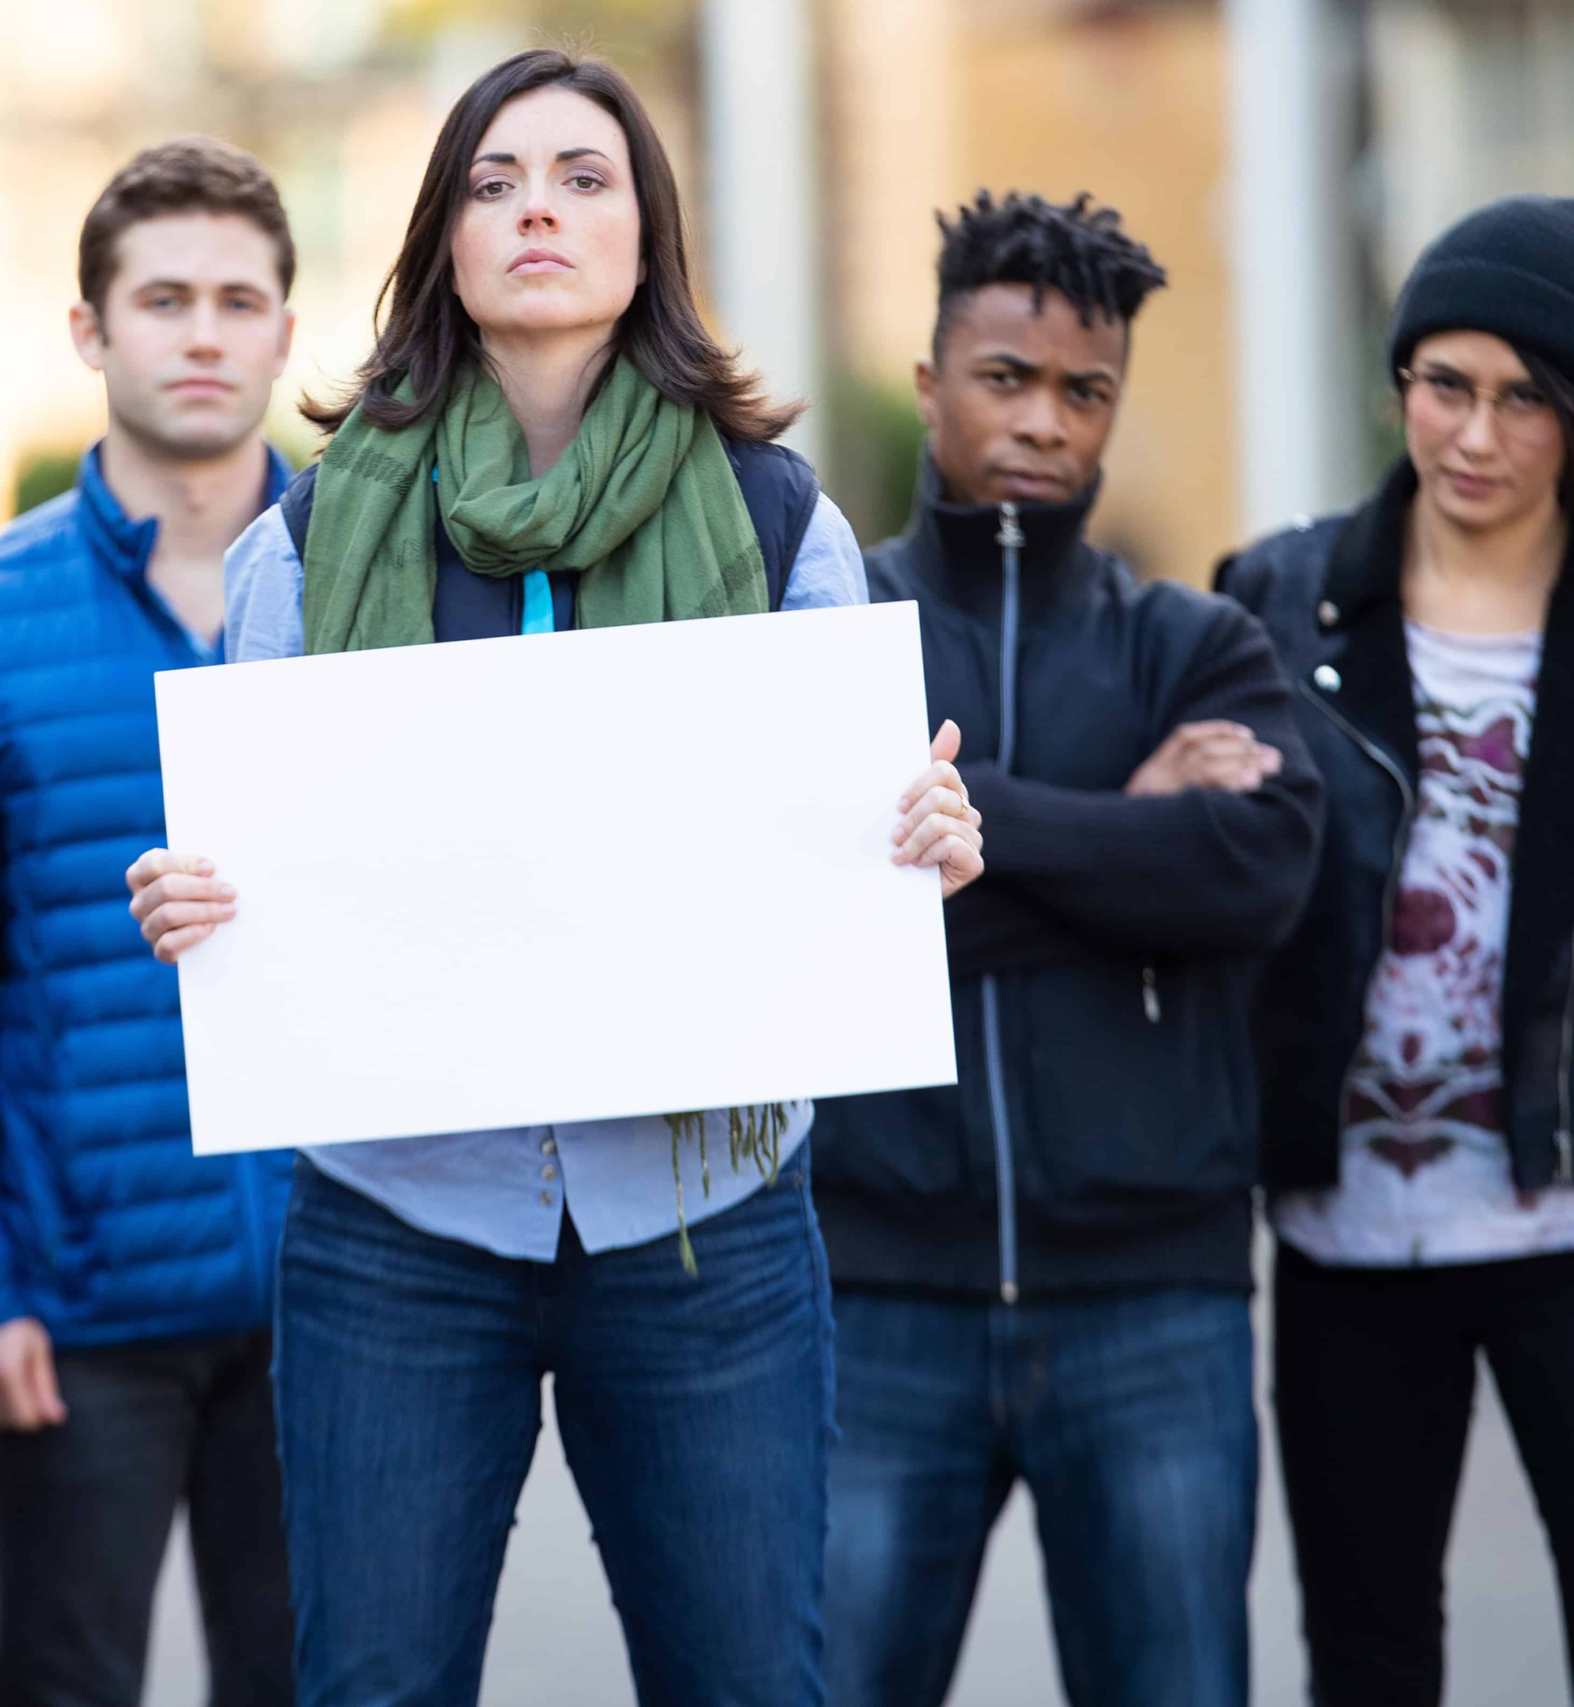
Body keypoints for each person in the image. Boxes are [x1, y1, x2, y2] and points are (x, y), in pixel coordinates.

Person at [124, 49, 983, 1706]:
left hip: (705, 1229)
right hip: (398, 1222)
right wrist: (196, 904)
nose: (537, 208)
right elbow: (258, 871)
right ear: (443, 240)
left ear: (647, 236)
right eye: (495, 180)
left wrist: (924, 848)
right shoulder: (304, 545)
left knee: (748, 1681)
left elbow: (855, 837)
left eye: (585, 179)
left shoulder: (777, 518)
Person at [1219, 195, 1574, 1707]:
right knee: (1371, 1657)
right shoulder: (1277, 598)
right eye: (1443, 383)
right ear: (1401, 382)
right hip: (1350, 1239)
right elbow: (1221, 902)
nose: (1474, 432)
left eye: (1523, 396)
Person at [810, 192, 1323, 1707]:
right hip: (878, 1297)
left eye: (1082, 391)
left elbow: (1259, 873)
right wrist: (1123, 831)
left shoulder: (1202, 646)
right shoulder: (836, 635)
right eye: (1005, 378)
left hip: (1153, 1308)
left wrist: (969, 841)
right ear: (929, 384)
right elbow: (821, 915)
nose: (1043, 420)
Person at [0, 138, 300, 1707]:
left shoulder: (372, 594)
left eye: (237, 299)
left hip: (337, 1288)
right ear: (90, 329)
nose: (202, 332)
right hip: (78, 1305)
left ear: (282, 333)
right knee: (62, 1687)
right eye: (164, 297)